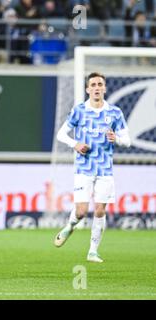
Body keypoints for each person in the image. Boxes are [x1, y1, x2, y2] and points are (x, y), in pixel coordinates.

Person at [54, 72, 131, 263]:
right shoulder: (79, 111)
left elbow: (127, 141)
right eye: (93, 84)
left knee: (99, 210)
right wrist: (75, 144)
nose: (97, 87)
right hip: (84, 168)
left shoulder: (115, 113)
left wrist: (117, 139)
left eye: (100, 84)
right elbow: (61, 135)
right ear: (88, 89)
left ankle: (93, 251)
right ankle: (70, 226)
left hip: (105, 169)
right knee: (81, 212)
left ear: (104, 88)